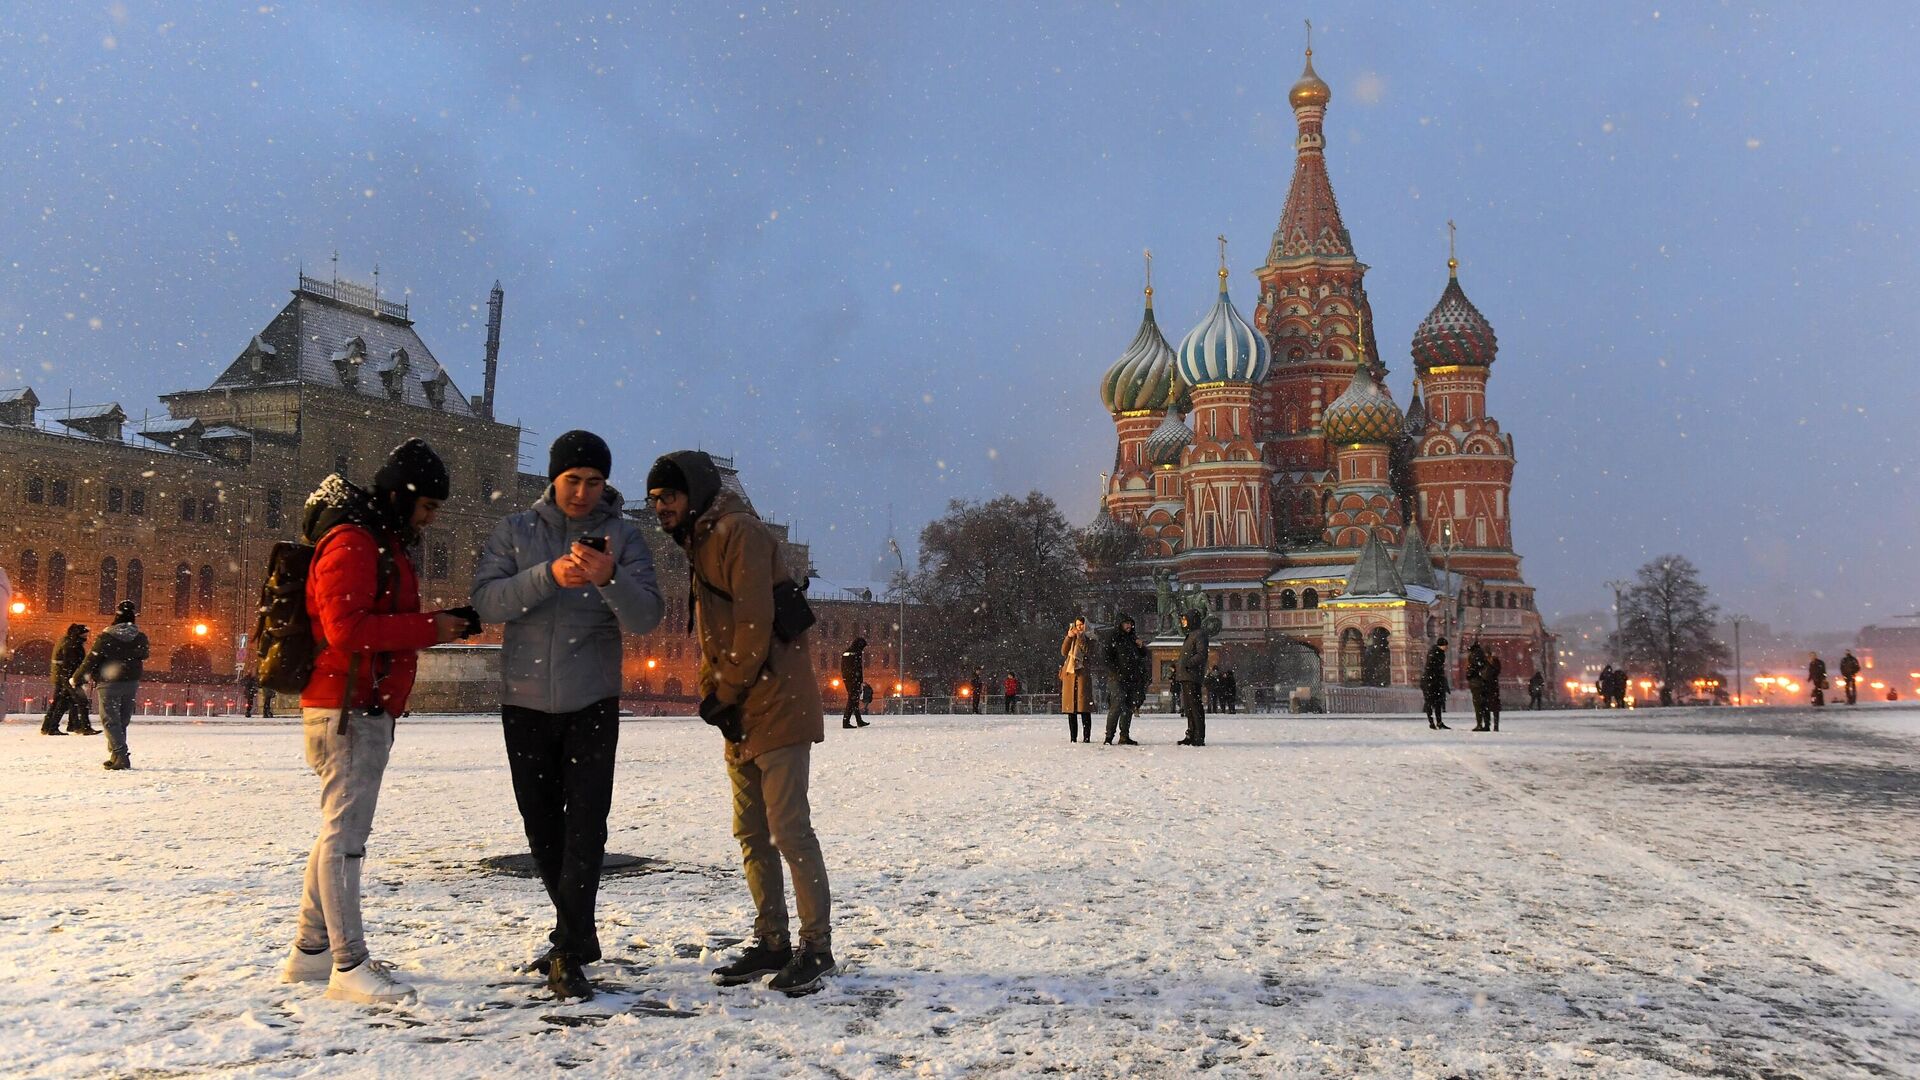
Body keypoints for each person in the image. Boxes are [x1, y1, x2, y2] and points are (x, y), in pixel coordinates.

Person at [472, 430, 664, 1002]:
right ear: (553, 479)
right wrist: (546, 577)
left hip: (592, 700)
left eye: (594, 481)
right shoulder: (515, 531)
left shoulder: (624, 537)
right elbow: (486, 601)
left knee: (586, 824)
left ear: (607, 484)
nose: (582, 492)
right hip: (525, 699)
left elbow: (648, 616)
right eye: (573, 479)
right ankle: (577, 934)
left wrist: (609, 576)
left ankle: (568, 945)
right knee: (541, 826)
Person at [281, 441, 471, 1004]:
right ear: (400, 495)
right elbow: (349, 630)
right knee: (346, 839)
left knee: (335, 833)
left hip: (358, 704)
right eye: (427, 507)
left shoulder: (374, 539)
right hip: (346, 708)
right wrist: (434, 626)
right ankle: (349, 965)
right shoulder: (354, 541)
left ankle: (311, 953)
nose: (431, 519)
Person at [649, 450, 836, 996]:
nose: (661, 507)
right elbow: (720, 632)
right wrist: (720, 692)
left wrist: (724, 691)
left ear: (695, 494)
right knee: (753, 834)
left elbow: (753, 626)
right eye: (656, 499)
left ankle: (816, 947)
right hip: (742, 706)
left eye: (670, 496)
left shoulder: (738, 533)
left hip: (774, 700)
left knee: (788, 831)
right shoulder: (700, 540)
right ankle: (772, 940)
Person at [74, 602, 148, 768]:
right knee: (122, 720)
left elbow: (92, 659)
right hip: (131, 681)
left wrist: (77, 677)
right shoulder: (140, 637)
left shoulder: (106, 637)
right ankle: (116, 754)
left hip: (109, 682)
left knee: (110, 720)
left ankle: (121, 755)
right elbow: (144, 654)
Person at [1101, 613, 1147, 745]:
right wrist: (1116, 671)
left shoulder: (1133, 638)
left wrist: (1141, 647)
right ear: (1120, 624)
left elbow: (1142, 655)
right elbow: (1106, 658)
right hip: (1118, 678)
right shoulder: (1113, 637)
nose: (1129, 626)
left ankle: (1124, 735)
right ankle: (1109, 736)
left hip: (1132, 678)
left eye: (1130, 623)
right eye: (1126, 623)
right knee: (1116, 706)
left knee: (1128, 707)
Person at [43, 624, 97, 736]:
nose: (86, 636)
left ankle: (55, 726)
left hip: (64, 677)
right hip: (70, 678)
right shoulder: (72, 645)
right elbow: (73, 664)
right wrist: (77, 677)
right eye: (85, 633)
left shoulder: (68, 642)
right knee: (79, 702)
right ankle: (82, 727)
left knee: (65, 702)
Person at [1175, 609, 1209, 746]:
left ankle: (1198, 736)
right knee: (1189, 708)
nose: (1183, 622)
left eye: (1185, 619)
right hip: (1186, 675)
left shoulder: (1199, 634)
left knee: (1194, 707)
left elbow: (1201, 654)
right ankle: (1191, 733)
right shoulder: (1192, 634)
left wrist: (1188, 664)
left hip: (1192, 675)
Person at [1060, 617, 1093, 743]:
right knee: (1071, 709)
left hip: (1082, 674)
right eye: (1077, 625)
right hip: (1070, 674)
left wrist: (1080, 637)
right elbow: (1063, 651)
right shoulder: (1072, 636)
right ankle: (1073, 737)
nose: (1079, 627)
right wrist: (1069, 637)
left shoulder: (1091, 637)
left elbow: (1087, 651)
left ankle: (1086, 737)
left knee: (1084, 707)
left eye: (1081, 625)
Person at [1422, 638, 1451, 730]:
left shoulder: (1439, 653)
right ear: (1442, 645)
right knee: (1430, 702)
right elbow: (1431, 667)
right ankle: (1432, 722)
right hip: (1431, 682)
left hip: (1435, 681)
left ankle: (1439, 722)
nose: (1447, 647)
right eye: (1446, 645)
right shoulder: (1434, 653)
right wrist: (1436, 677)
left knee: (1437, 703)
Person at [839, 638, 868, 729]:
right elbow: (857, 668)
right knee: (852, 701)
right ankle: (846, 722)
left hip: (848, 679)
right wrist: (859, 679)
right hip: (854, 680)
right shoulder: (856, 653)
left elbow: (844, 667)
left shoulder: (846, 653)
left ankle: (859, 721)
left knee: (854, 701)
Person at [1465, 642, 1491, 731]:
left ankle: (1479, 724)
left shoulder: (1474, 656)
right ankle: (1487, 724)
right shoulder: (1482, 656)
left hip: (1476, 684)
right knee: (1485, 705)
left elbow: (1472, 669)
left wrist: (1468, 674)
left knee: (1478, 705)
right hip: (1484, 684)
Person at [1485, 652, 1503, 732]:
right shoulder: (1494, 663)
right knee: (1493, 707)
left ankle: (1489, 725)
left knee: (1489, 707)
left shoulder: (1487, 663)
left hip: (1489, 687)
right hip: (1492, 687)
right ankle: (1493, 725)